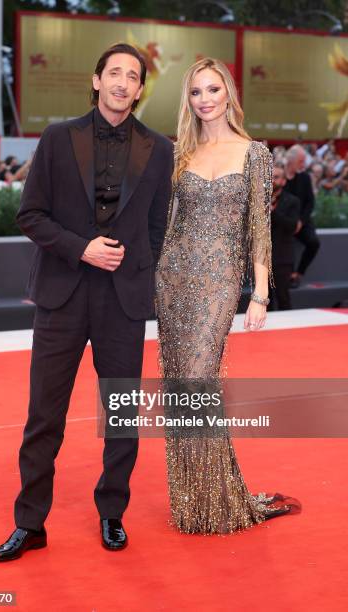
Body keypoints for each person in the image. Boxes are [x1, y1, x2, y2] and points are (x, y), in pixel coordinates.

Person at [0, 43, 173, 561]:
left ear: (140, 89)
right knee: (44, 414)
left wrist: (136, 264)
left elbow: (158, 225)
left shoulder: (159, 149)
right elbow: (32, 215)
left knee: (121, 414)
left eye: (132, 76)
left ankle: (112, 512)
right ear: (96, 80)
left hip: (123, 299)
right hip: (62, 293)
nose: (121, 82)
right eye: (113, 72)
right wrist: (81, 248)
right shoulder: (56, 138)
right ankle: (30, 523)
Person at [155, 58, 300, 535]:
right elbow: (169, 224)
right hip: (173, 279)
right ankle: (197, 501)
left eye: (212, 89)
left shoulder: (254, 153)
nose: (205, 99)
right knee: (183, 390)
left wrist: (259, 294)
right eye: (196, 92)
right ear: (188, 100)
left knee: (198, 380)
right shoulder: (181, 152)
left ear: (228, 93)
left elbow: (260, 228)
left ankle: (218, 498)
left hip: (219, 283)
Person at [284, 144, 320, 289]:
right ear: (291, 161)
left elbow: (310, 202)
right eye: (301, 161)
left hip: (302, 220)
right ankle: (288, 275)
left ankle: (298, 274)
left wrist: (301, 221)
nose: (303, 165)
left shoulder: (304, 177)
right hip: (283, 222)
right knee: (284, 244)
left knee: (314, 242)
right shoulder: (279, 176)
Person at [269, 162, 301, 310]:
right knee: (263, 300)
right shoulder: (258, 200)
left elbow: (292, 226)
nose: (272, 180)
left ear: (283, 181)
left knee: (283, 298)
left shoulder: (292, 201)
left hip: (282, 258)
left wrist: (273, 212)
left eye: (276, 177)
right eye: (270, 176)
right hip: (263, 259)